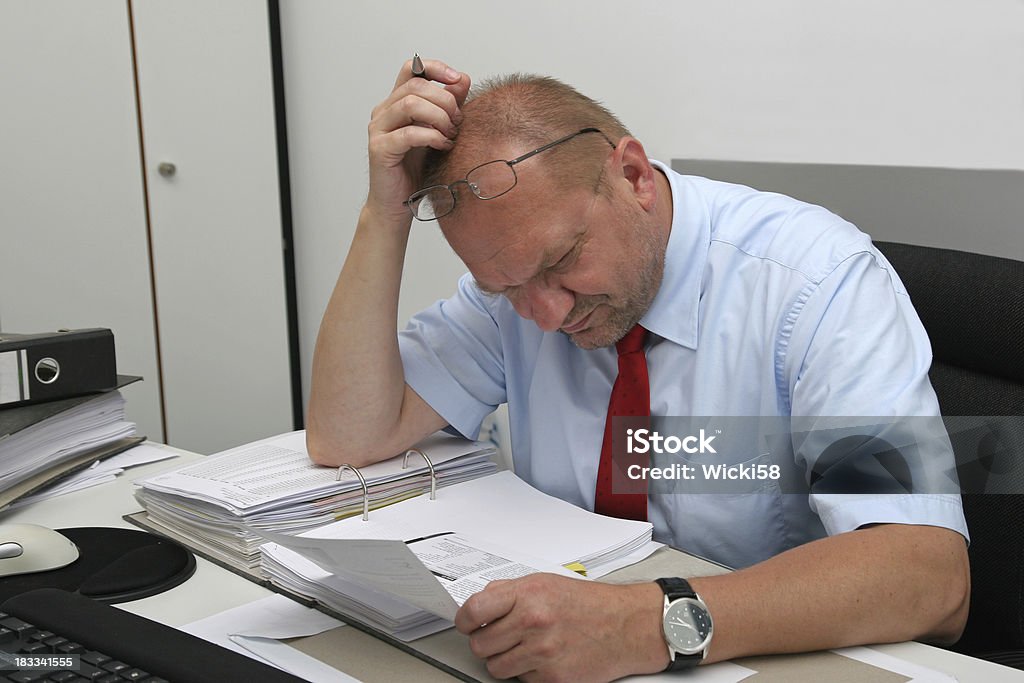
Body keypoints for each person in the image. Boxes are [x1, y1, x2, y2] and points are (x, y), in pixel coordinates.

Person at [307, 57, 970, 682]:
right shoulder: (516, 292)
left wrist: (647, 621)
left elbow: (928, 573)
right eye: (505, 288)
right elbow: (350, 437)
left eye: (560, 262)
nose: (543, 313)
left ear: (634, 176)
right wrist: (383, 214)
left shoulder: (816, 283)